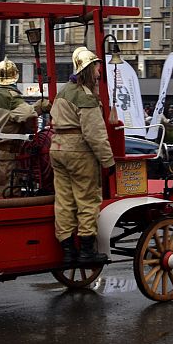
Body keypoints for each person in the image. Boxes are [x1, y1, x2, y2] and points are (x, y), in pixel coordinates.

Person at [50, 47, 116, 266]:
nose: (99, 74)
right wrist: (108, 161)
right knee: (87, 199)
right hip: (78, 151)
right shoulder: (85, 96)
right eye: (96, 69)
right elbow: (95, 134)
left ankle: (68, 252)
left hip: (57, 148)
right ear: (88, 70)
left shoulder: (63, 92)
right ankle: (87, 252)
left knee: (64, 201)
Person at [0, 59, 47, 196]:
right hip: (5, 156)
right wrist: (41, 106)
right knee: (7, 196)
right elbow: (28, 114)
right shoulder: (10, 95)